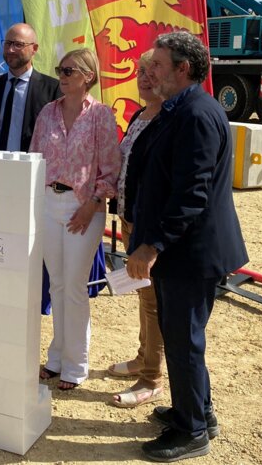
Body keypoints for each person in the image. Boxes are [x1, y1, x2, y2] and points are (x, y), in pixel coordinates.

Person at [126, 31, 249, 463]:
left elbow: (191, 195)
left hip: (190, 254)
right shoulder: (178, 108)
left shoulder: (196, 114)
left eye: (158, 65)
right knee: (182, 338)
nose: (151, 71)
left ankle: (192, 431)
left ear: (183, 69)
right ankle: (197, 412)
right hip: (180, 252)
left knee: (183, 342)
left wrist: (151, 246)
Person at [30, 48, 121, 391]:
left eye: (69, 71)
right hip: (47, 203)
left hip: (83, 206)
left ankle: (76, 364)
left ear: (88, 76)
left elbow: (110, 169)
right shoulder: (47, 113)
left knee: (74, 286)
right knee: (56, 283)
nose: (62, 76)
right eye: (60, 70)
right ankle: (56, 357)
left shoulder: (101, 115)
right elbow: (34, 157)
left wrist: (92, 204)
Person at [107, 50, 166, 409]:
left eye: (152, 71)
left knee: (154, 303)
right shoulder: (139, 115)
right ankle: (144, 358)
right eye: (140, 71)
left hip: (149, 229)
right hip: (129, 222)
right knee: (144, 298)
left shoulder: (167, 120)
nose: (144, 78)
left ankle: (152, 379)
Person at [0, 23, 60, 152]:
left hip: (33, 162)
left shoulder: (52, 90)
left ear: (34, 48)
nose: (11, 50)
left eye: (18, 44)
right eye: (8, 44)